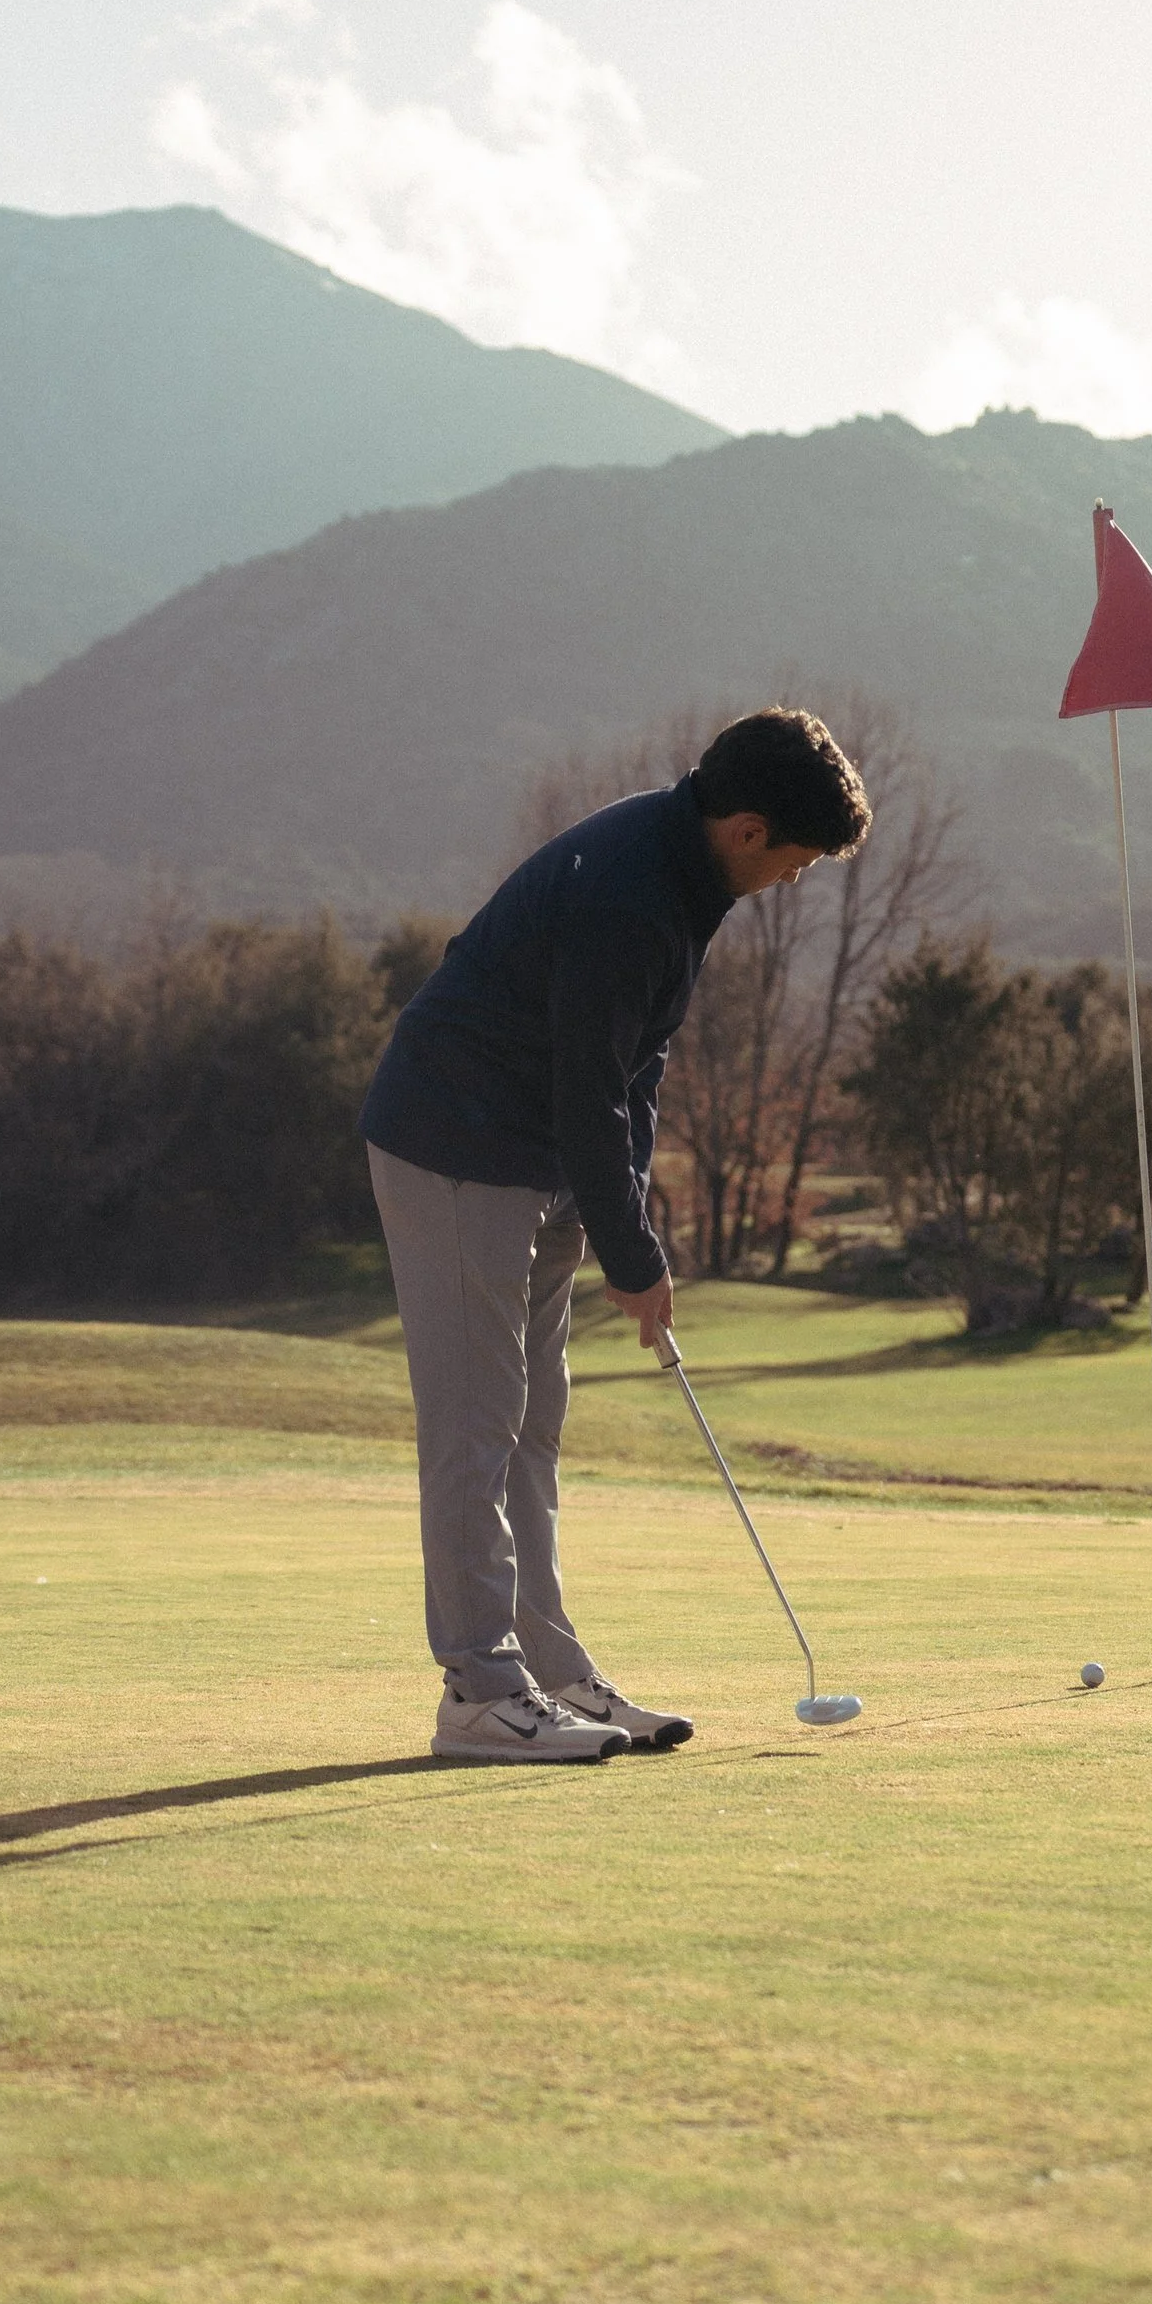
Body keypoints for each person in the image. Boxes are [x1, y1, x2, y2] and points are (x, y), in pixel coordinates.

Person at [360, 706, 873, 1762]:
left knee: (533, 1418)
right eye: (796, 860)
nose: (793, 881)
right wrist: (633, 1254)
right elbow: (587, 1082)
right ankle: (478, 1693)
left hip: (536, 1155)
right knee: (475, 1420)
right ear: (744, 829)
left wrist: (626, 1225)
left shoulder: (689, 876)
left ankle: (552, 1676)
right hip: (456, 1140)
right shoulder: (633, 892)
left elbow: (639, 1067)